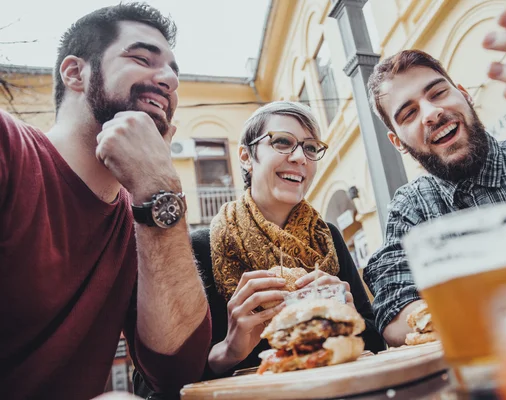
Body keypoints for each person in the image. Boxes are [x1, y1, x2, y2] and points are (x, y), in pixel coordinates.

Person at [0, 3, 211, 399]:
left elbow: (176, 369)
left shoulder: (141, 216)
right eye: (141, 57)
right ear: (75, 73)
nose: (167, 80)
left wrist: (158, 189)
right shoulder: (9, 146)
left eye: (173, 73)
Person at [363, 8, 506, 347]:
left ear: (465, 93)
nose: (431, 113)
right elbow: (394, 310)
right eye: (409, 112)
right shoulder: (412, 207)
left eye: (437, 93)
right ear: (397, 142)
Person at [137, 102, 385, 392]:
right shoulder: (198, 249)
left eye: (310, 148)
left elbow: (377, 342)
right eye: (282, 142)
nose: (299, 157)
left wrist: (351, 319)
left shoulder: (328, 238)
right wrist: (227, 351)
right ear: (245, 156)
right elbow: (150, 385)